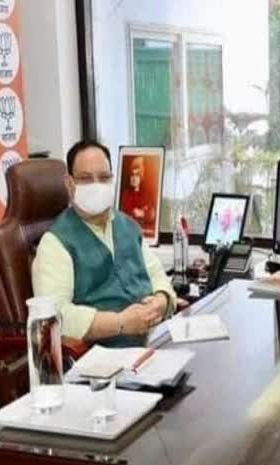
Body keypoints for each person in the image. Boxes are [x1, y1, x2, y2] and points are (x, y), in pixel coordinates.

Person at [32, 140, 176, 348]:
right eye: (85, 179)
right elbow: (55, 313)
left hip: (154, 342)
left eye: (103, 177)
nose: (96, 185)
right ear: (69, 183)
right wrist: (121, 323)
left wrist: (161, 302)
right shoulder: (55, 243)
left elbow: (157, 275)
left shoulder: (128, 226)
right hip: (103, 359)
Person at [119, 156, 152, 231]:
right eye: (132, 175)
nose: (134, 178)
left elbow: (152, 214)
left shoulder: (146, 194)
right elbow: (121, 214)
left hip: (142, 229)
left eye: (137, 175)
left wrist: (143, 213)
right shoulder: (126, 194)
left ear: (141, 178)